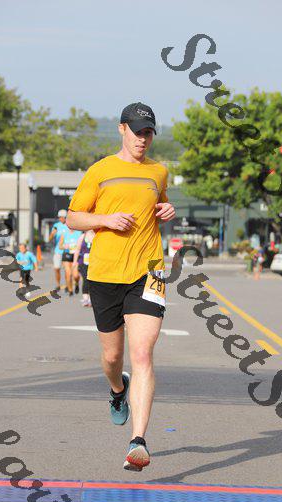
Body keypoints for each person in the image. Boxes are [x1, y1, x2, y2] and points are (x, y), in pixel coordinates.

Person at [66, 102, 175, 471]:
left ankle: (138, 441)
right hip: (105, 273)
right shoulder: (100, 170)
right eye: (138, 131)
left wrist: (167, 210)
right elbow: (73, 218)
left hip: (149, 270)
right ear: (122, 129)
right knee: (113, 359)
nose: (143, 139)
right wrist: (106, 220)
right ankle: (117, 390)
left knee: (142, 354)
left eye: (148, 133)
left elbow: (159, 206)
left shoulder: (158, 172)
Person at [73, 229, 95, 306]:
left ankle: (91, 299)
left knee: (92, 280)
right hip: (83, 262)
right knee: (85, 279)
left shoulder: (97, 235)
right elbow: (77, 250)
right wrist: (75, 262)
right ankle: (85, 298)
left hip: (94, 263)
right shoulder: (82, 236)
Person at [49, 209, 69, 291]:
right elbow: (50, 239)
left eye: (62, 217)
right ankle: (58, 284)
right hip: (58, 251)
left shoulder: (69, 225)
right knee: (57, 268)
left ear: (65, 217)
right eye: (59, 217)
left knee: (67, 269)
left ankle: (67, 285)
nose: (60, 218)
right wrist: (52, 234)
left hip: (67, 251)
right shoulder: (56, 225)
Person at [59, 227, 82, 296]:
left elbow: (82, 244)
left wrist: (78, 247)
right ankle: (70, 290)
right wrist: (64, 246)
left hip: (76, 255)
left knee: (76, 275)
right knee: (68, 274)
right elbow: (60, 246)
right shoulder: (64, 233)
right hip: (67, 254)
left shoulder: (79, 233)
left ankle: (77, 283)